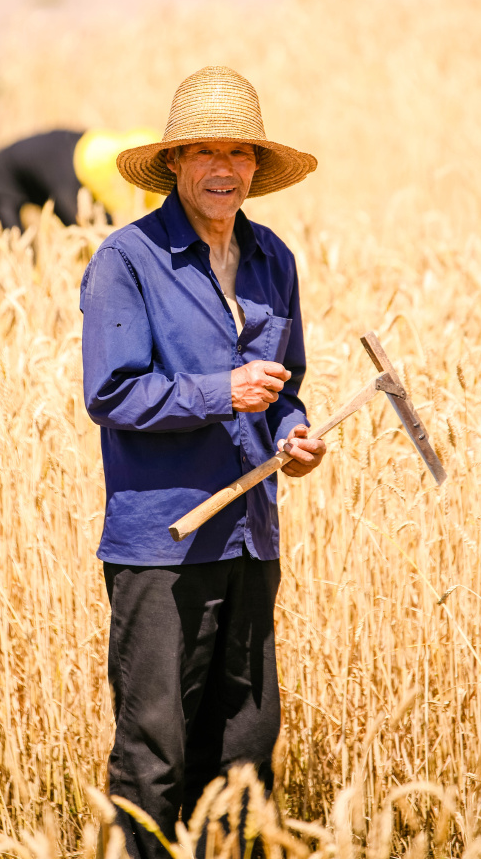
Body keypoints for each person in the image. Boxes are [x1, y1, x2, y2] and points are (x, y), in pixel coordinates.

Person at [79, 65, 325, 859]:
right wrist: (221, 390)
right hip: (164, 542)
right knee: (155, 754)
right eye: (206, 152)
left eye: (240, 153)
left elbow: (288, 387)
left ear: (258, 166)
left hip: (252, 538)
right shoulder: (128, 261)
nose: (225, 169)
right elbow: (113, 393)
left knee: (247, 751)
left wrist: (296, 438)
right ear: (177, 162)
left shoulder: (273, 258)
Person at [0, 127, 160, 232]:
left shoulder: (94, 148)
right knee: (18, 245)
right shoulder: (66, 180)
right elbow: (79, 226)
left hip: (40, 167)